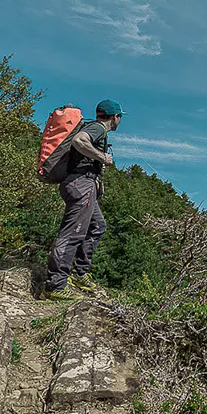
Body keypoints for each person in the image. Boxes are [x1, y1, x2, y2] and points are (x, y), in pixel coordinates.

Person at [43, 99, 124, 301]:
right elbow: (79, 141)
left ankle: (79, 273)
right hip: (81, 186)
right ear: (115, 117)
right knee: (73, 234)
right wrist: (102, 157)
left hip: (79, 185)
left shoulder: (94, 127)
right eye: (120, 117)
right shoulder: (97, 128)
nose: (119, 121)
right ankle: (56, 285)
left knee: (98, 226)